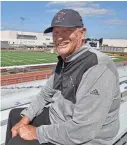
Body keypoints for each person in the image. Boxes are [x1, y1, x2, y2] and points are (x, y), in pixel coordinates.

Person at [5, 9, 121, 145]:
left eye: (66, 31)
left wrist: (36, 133)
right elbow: (45, 95)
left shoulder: (97, 67)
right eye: (56, 32)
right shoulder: (66, 60)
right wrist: (24, 120)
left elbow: (84, 130)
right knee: (16, 116)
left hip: (87, 137)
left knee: (18, 142)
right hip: (60, 119)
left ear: (82, 33)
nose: (59, 38)